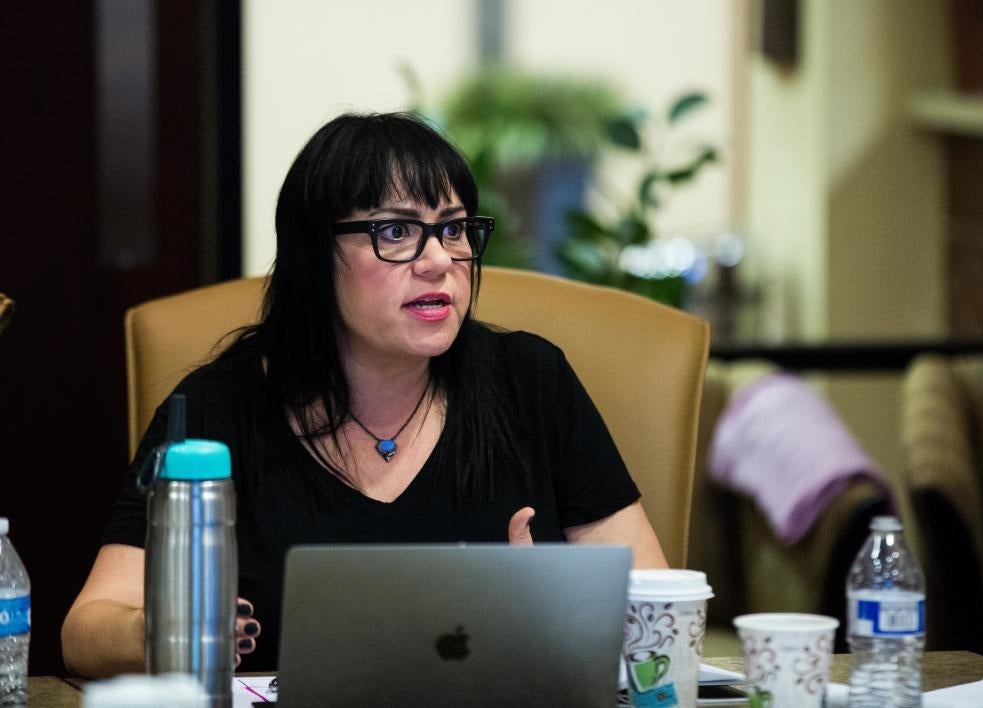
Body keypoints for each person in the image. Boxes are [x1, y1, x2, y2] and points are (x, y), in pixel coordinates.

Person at [61, 112, 668, 677]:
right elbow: (86, 630)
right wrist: (173, 633)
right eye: (397, 231)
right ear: (312, 257)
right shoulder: (220, 408)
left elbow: (658, 607)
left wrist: (559, 610)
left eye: (453, 229)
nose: (438, 260)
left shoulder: (531, 380)